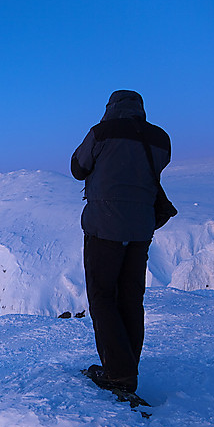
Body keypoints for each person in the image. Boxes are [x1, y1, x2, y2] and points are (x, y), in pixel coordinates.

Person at [71, 90, 171, 393]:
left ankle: (118, 373)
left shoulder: (101, 133)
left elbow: (78, 168)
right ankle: (126, 366)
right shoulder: (160, 139)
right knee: (130, 298)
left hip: (104, 229)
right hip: (140, 230)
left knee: (102, 298)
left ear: (110, 108)